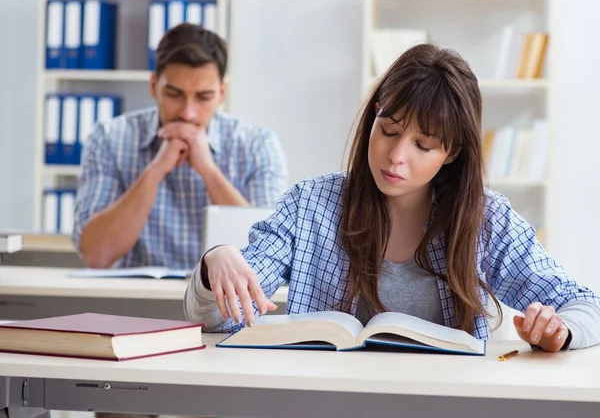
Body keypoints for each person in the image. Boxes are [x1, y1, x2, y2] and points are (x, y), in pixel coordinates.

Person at [184, 43, 600, 352]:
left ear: (451, 153)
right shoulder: (309, 205)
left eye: (423, 146)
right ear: (374, 117)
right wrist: (214, 262)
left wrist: (558, 331)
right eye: (389, 130)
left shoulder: (485, 219)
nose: (396, 157)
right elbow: (217, 320)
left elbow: (586, 305)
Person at [73, 22, 288, 270]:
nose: (187, 113)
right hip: (135, 301)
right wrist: (155, 171)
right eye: (174, 95)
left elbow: (269, 254)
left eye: (203, 97)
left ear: (221, 92)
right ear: (154, 86)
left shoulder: (258, 144)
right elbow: (96, 256)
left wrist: (209, 171)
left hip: (224, 305)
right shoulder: (109, 138)